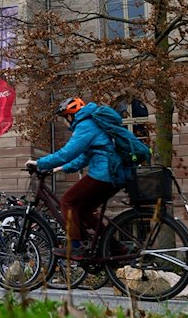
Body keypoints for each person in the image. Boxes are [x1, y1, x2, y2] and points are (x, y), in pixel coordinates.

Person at [26, 97, 123, 260]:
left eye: (64, 118)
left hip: (104, 173)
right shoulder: (91, 123)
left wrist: (40, 163)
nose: (65, 123)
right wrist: (61, 168)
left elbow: (68, 152)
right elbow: (83, 157)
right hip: (111, 174)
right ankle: (115, 247)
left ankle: (76, 247)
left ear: (70, 115)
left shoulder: (86, 125)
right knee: (83, 211)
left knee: (67, 201)